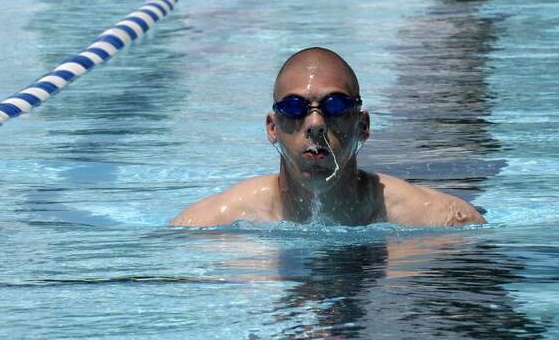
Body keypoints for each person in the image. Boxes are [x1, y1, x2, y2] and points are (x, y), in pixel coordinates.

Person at [170, 47, 487, 227]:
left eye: (336, 105)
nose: (316, 123)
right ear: (272, 127)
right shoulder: (208, 223)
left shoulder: (441, 220)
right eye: (294, 107)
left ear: (362, 125)